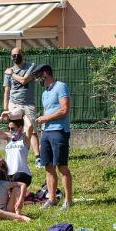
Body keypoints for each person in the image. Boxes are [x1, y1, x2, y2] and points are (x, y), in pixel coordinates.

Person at [34, 65, 73, 210]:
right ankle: (51, 199)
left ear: (45, 73)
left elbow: (64, 110)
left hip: (59, 131)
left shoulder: (61, 86)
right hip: (46, 132)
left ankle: (68, 201)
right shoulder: (45, 93)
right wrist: (43, 126)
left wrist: (45, 118)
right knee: (48, 167)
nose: (38, 80)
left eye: (39, 76)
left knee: (61, 166)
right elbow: (47, 111)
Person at [3, 47, 40, 162]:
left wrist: (11, 73)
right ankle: (14, 154)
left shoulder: (31, 67)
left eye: (18, 54)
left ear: (23, 55)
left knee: (31, 129)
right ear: (11, 57)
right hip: (13, 104)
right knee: (14, 129)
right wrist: (5, 108)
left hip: (28, 104)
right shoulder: (8, 71)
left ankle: (38, 157)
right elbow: (7, 90)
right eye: (13, 55)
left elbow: (24, 80)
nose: (16, 57)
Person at [0, 109, 34, 196]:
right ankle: (16, 193)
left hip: (22, 174)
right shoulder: (8, 138)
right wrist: (1, 117)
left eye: (12, 128)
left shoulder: (25, 139)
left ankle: (16, 193)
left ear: (20, 128)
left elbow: (30, 127)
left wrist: (23, 115)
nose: (10, 130)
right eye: (8, 128)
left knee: (16, 177)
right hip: (8, 174)